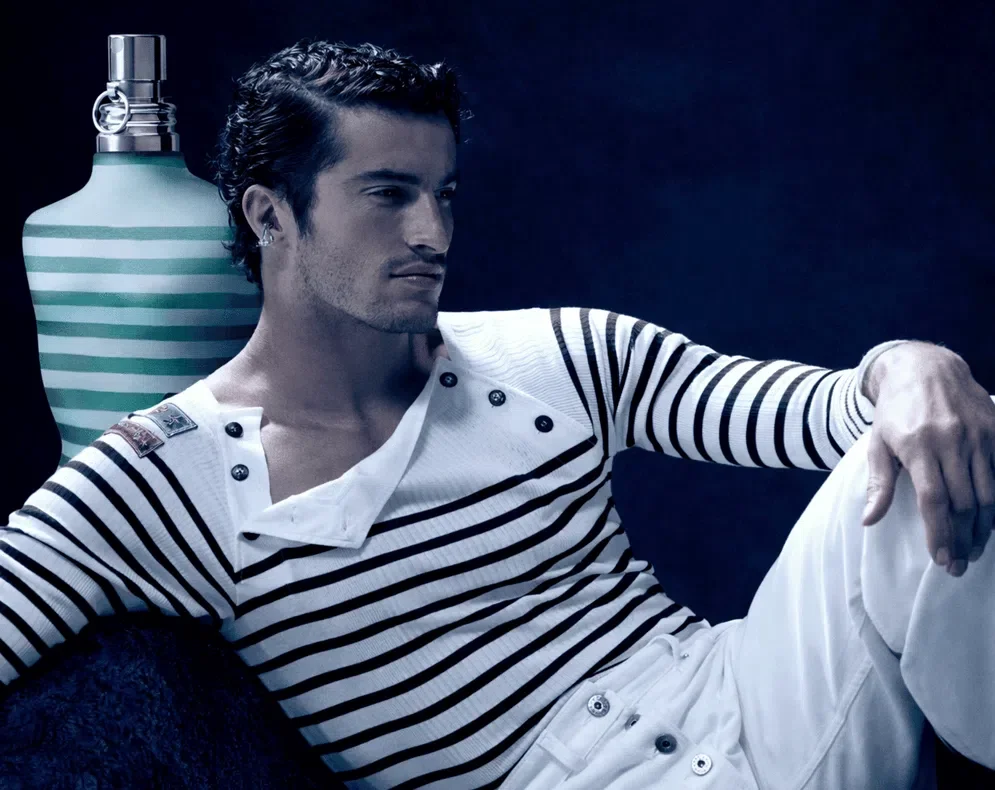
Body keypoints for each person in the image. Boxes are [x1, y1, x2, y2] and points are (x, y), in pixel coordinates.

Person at [1, 38, 992, 790]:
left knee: (937, 441)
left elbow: (827, 412)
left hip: (757, 694)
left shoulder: (557, 351)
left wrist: (910, 365)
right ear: (269, 215)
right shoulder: (158, 477)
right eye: (387, 195)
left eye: (442, 193)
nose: (431, 232)